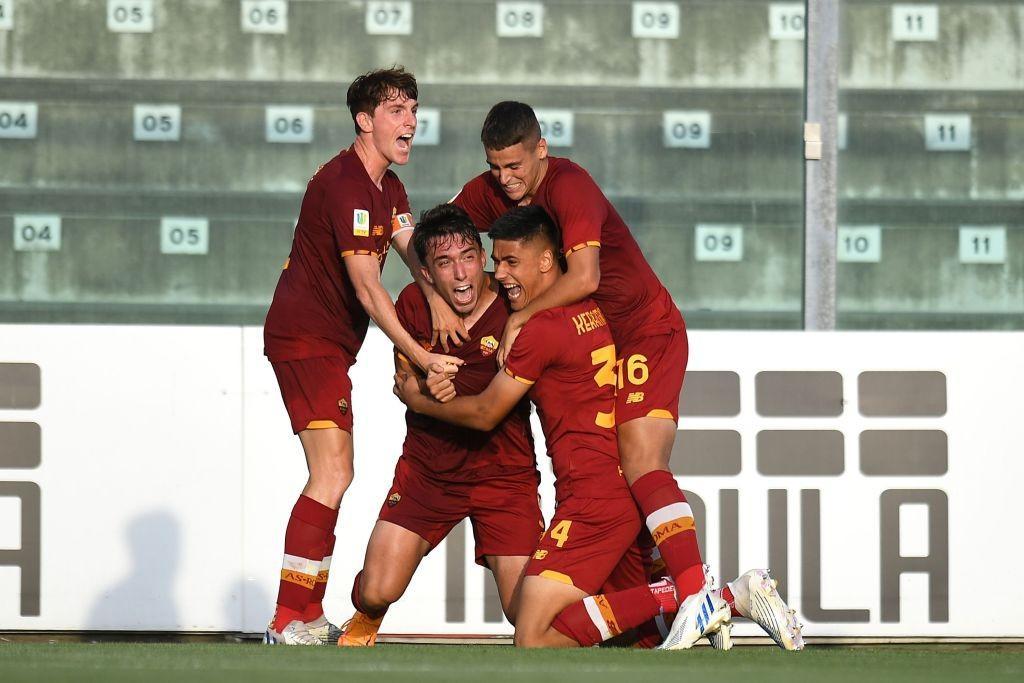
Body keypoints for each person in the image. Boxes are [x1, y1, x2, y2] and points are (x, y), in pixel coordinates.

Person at [443, 101, 802, 650]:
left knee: (639, 459)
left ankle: (698, 592)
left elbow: (585, 276)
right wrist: (430, 297)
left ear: (541, 149)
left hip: (644, 328)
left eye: (515, 165)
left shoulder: (569, 186)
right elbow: (438, 235)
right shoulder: (492, 192)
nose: (505, 179)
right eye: (496, 167)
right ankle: (694, 598)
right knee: (623, 472)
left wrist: (520, 315)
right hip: (604, 338)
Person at [395, 206, 731, 649]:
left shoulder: (539, 330)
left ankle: (705, 596)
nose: (500, 275)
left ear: (546, 261)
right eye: (496, 262)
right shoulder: (591, 308)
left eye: (510, 262)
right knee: (633, 641)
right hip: (616, 485)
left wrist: (418, 400)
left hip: (593, 500)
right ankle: (687, 597)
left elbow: (484, 414)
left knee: (532, 636)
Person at [261, 67, 463, 646]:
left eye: (414, 110)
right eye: (397, 111)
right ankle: (286, 618)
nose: (411, 122)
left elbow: (410, 250)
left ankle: (304, 614)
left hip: (327, 347)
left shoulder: (389, 188)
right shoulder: (345, 184)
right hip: (305, 341)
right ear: (364, 120)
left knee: (335, 473)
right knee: (331, 472)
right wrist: (423, 356)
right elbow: (370, 290)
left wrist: (437, 299)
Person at [337, 203, 543, 646]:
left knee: (527, 613)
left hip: (504, 475)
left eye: (468, 256)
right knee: (376, 590)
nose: (461, 273)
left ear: (483, 257)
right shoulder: (412, 303)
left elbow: (430, 401)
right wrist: (425, 382)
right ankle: (365, 618)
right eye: (445, 263)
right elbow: (404, 379)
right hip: (429, 473)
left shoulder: (514, 303)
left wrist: (422, 401)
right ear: (426, 273)